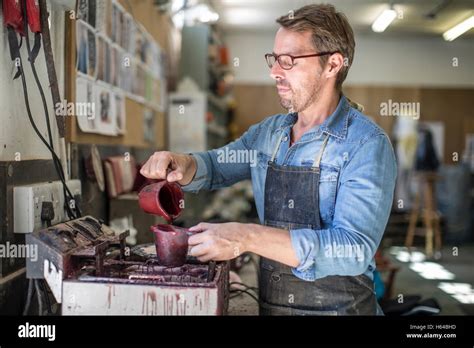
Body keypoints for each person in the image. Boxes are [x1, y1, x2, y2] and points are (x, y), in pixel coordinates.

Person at [141, 4, 397, 315]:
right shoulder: (269, 134)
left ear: (332, 64)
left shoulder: (366, 144)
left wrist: (246, 236)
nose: (275, 72)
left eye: (289, 61)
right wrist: (183, 163)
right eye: (274, 59)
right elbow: (216, 166)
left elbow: (353, 248)